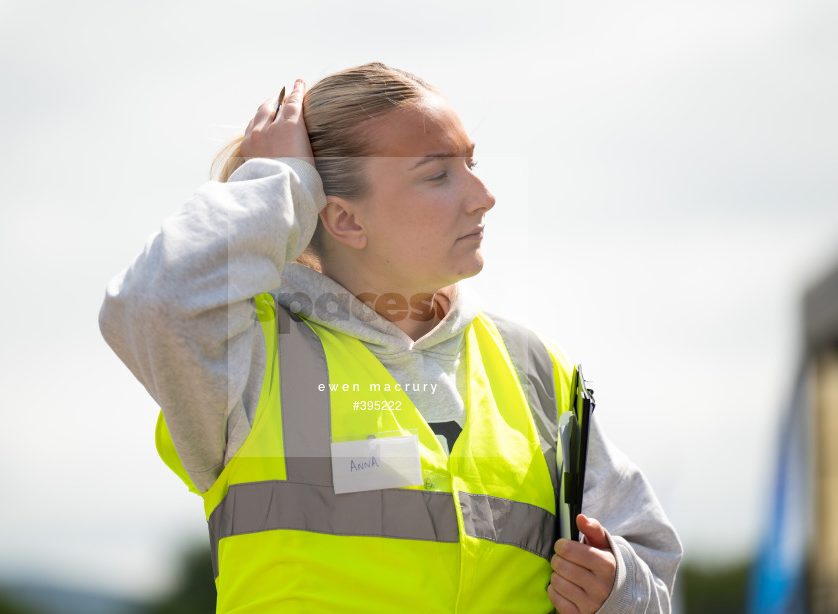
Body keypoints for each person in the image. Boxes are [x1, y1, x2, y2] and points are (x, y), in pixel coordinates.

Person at [99, 62, 682, 613]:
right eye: (437, 174)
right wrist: (277, 182)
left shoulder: (533, 366)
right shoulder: (251, 360)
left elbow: (649, 562)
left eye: (471, 162)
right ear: (345, 219)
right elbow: (152, 302)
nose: (483, 194)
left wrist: (617, 587)